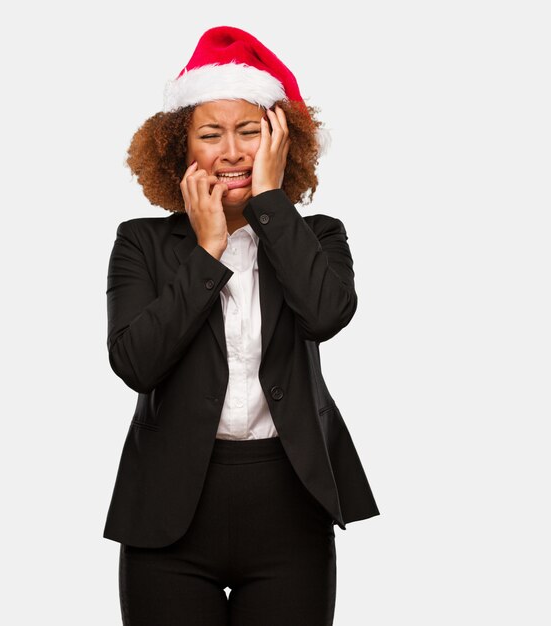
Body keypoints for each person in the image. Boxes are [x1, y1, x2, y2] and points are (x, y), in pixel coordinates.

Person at [103, 25, 380, 626]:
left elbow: (326, 314)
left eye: (250, 131)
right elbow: (135, 363)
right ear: (182, 149)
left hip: (287, 506)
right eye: (211, 135)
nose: (231, 151)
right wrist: (207, 252)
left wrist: (271, 206)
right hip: (170, 512)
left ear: (280, 142)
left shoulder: (319, 235)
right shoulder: (140, 243)